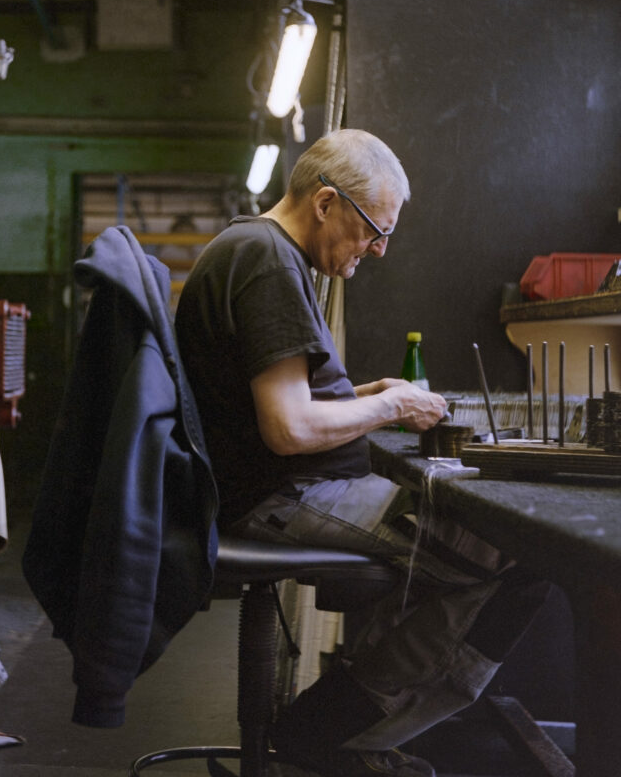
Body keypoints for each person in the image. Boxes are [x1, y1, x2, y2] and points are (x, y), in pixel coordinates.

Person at [174, 128, 552, 777]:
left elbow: (281, 398)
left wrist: (370, 391)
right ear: (325, 204)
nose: (377, 250)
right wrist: (392, 408)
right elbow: (288, 430)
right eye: (374, 230)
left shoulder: (260, 251)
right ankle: (329, 736)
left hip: (277, 489)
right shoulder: (267, 261)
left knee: (473, 554)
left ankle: (335, 731)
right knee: (516, 554)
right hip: (280, 497)